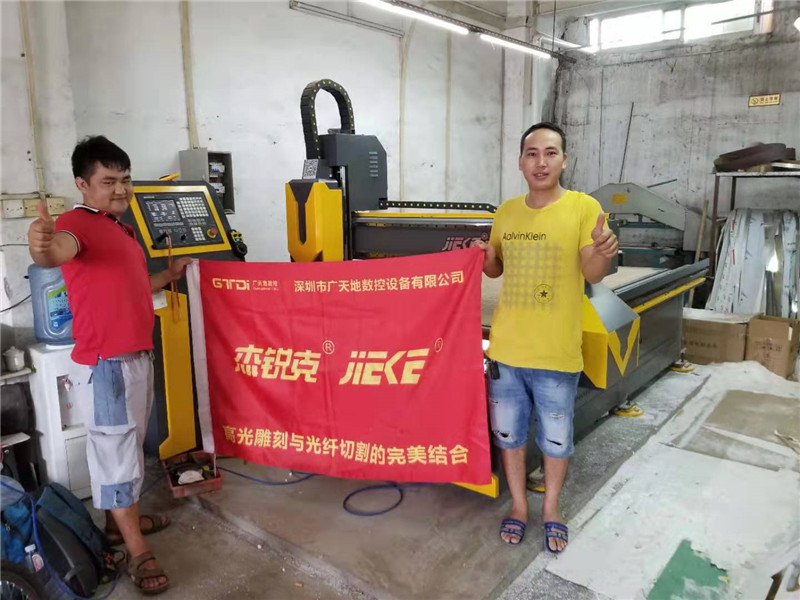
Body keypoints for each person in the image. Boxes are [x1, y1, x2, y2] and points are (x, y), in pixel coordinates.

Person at [27, 136, 192, 594]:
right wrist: (40, 245)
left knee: (125, 448)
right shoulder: (74, 224)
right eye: (108, 181)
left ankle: (116, 525)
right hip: (107, 366)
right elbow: (54, 252)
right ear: (82, 184)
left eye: (125, 179)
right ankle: (137, 551)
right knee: (117, 456)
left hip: (136, 357)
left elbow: (132, 286)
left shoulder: (120, 228)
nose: (121, 189)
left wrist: (168, 276)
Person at [476, 122, 618, 553]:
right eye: (532, 153)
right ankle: (519, 506)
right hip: (506, 350)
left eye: (550, 153)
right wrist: (486, 257)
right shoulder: (506, 212)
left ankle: (552, 508)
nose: (541, 162)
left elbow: (592, 273)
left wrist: (603, 253)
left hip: (556, 352)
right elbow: (497, 269)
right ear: (520, 162)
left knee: (556, 439)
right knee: (509, 436)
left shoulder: (583, 208)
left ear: (564, 160)